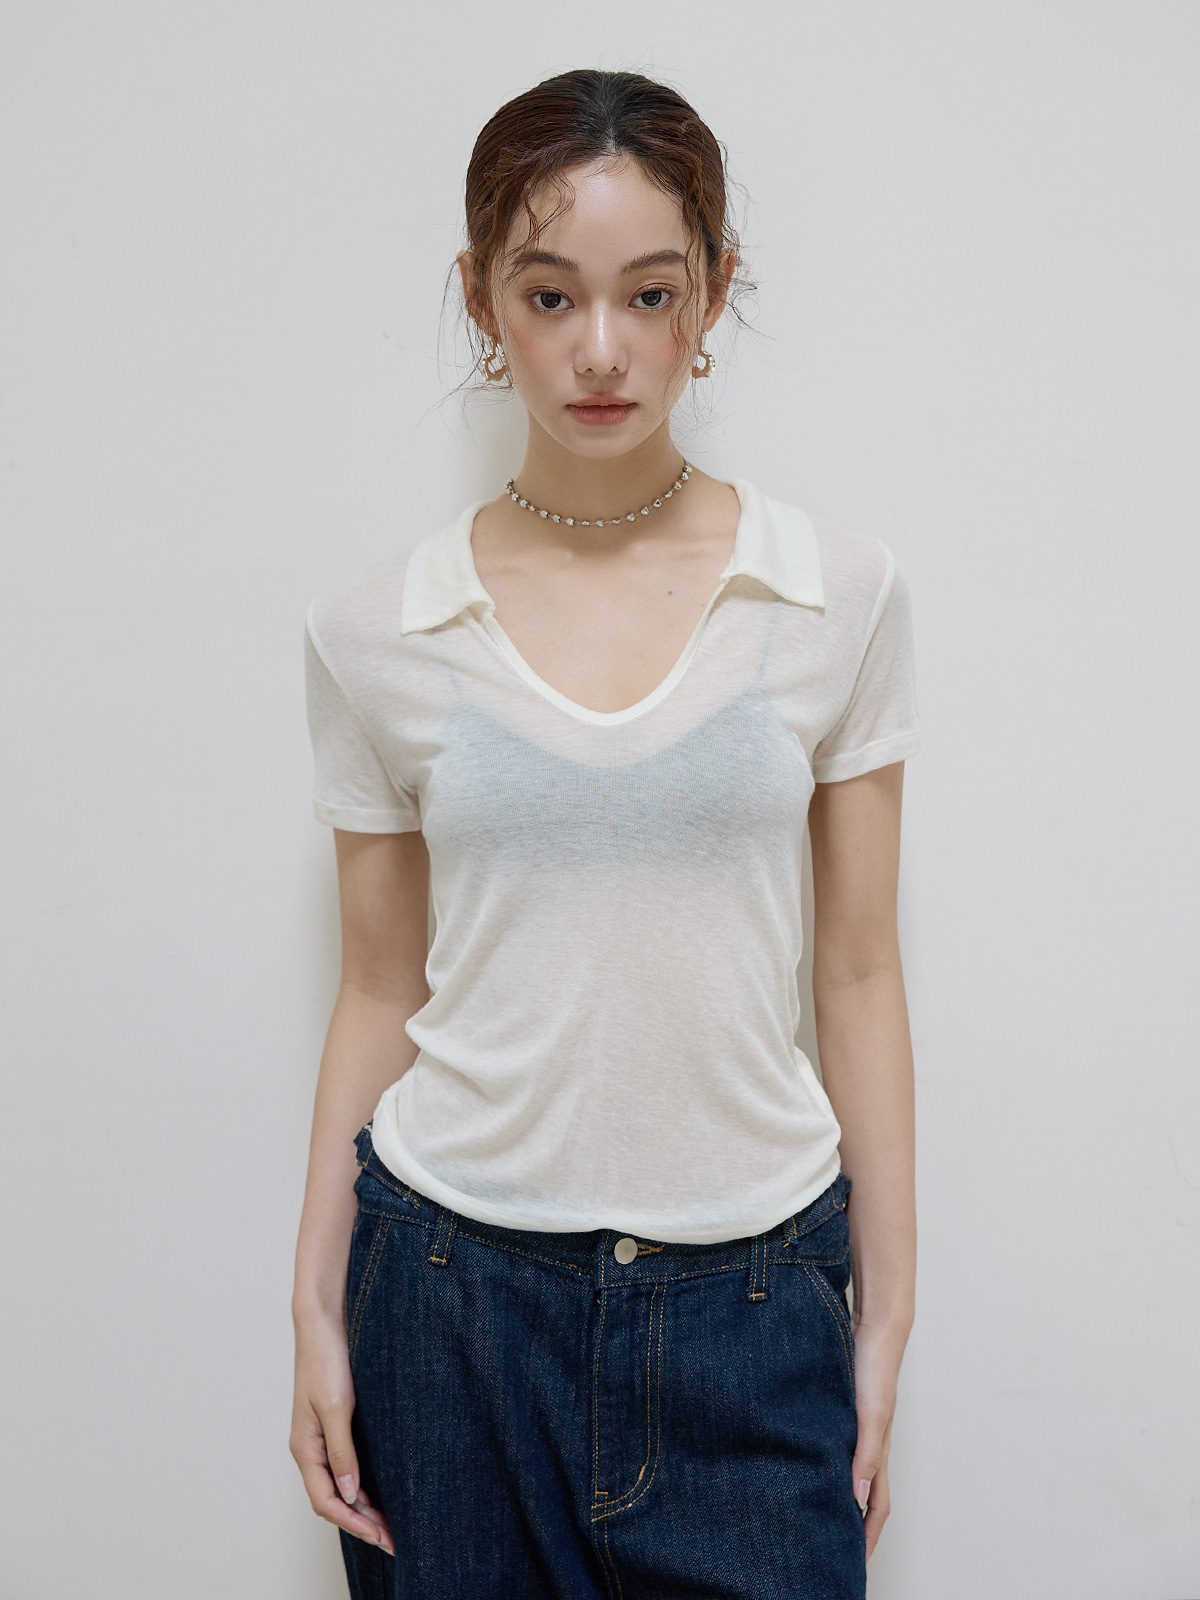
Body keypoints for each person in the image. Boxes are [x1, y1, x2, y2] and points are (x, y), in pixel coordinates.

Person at [290, 68, 920, 1600]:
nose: (600, 349)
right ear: (481, 299)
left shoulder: (834, 595)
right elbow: (376, 985)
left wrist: (888, 1311)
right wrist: (312, 1304)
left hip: (755, 1299)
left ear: (711, 293)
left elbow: (857, 969)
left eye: (649, 294)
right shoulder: (376, 628)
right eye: (550, 293)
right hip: (449, 1299)